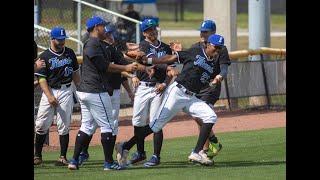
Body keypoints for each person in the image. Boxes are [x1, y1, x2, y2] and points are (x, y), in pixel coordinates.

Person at [118, 34, 226, 166]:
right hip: (177, 93)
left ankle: (197, 152)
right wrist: (150, 61)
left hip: (191, 97)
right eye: (216, 47)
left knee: (210, 116)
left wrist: (214, 81)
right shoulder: (196, 51)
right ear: (208, 44)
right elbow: (171, 57)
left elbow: (208, 79)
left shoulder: (214, 64)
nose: (218, 50)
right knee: (155, 126)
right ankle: (126, 146)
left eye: (220, 48)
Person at [67, 16, 138, 171]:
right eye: (103, 26)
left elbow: (116, 57)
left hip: (88, 91)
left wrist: (136, 60)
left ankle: (74, 160)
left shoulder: (99, 44)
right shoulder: (92, 44)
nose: (105, 29)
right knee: (108, 126)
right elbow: (103, 65)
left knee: (87, 126)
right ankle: (108, 163)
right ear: (96, 27)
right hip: (94, 90)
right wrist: (125, 69)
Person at [115, 18, 176, 167]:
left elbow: (171, 69)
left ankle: (156, 156)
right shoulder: (143, 45)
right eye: (149, 30)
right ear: (144, 33)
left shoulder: (166, 48)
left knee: (156, 122)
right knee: (138, 121)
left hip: (158, 87)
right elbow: (149, 60)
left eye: (154, 28)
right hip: (143, 87)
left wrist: (164, 83)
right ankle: (140, 152)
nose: (152, 31)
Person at [34, 27, 80, 166]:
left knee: (64, 125)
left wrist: (80, 89)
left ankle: (62, 156)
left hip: (66, 90)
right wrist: (49, 96)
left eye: (63, 39)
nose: (62, 41)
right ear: (52, 39)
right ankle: (37, 155)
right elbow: (42, 79)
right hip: (50, 90)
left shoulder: (70, 53)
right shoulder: (44, 56)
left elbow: (76, 74)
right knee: (41, 125)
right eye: (59, 39)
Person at [189, 20, 230, 159]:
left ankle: (202, 150)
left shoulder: (221, 49)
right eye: (201, 31)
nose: (202, 34)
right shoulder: (196, 47)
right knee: (197, 117)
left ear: (213, 32)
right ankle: (212, 143)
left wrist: (219, 76)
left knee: (202, 116)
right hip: (197, 87)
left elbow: (224, 68)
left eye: (205, 31)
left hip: (211, 88)